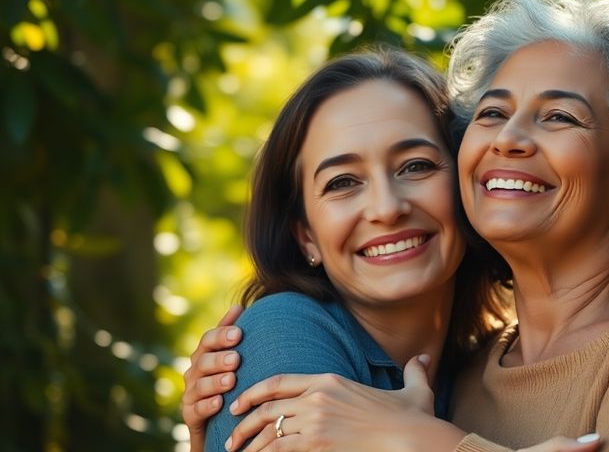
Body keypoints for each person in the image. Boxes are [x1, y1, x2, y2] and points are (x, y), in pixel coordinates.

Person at [184, 0, 609, 452]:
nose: (510, 140)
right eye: (492, 114)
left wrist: (419, 440)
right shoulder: (463, 375)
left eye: (560, 117)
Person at [182, 48, 516, 452]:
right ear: (305, 235)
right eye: (342, 182)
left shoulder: (483, 367)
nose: (387, 208)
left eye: (416, 166)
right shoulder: (281, 330)